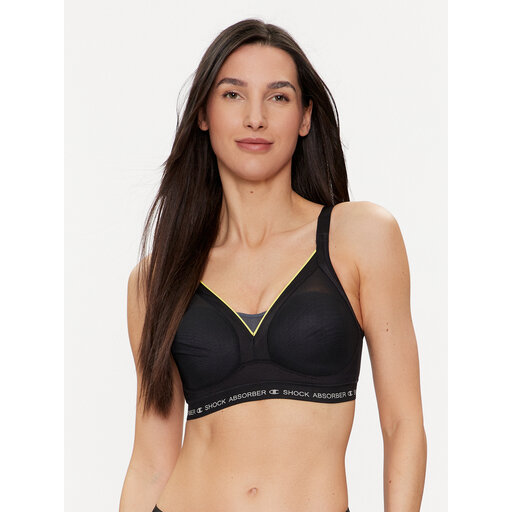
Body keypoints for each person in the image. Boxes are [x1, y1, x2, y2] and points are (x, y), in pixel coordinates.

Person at [119, 18, 427, 512]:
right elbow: (151, 462)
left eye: (278, 97)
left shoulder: (361, 237)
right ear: (204, 114)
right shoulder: (156, 281)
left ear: (305, 117)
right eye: (233, 95)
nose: (255, 118)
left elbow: (402, 424)